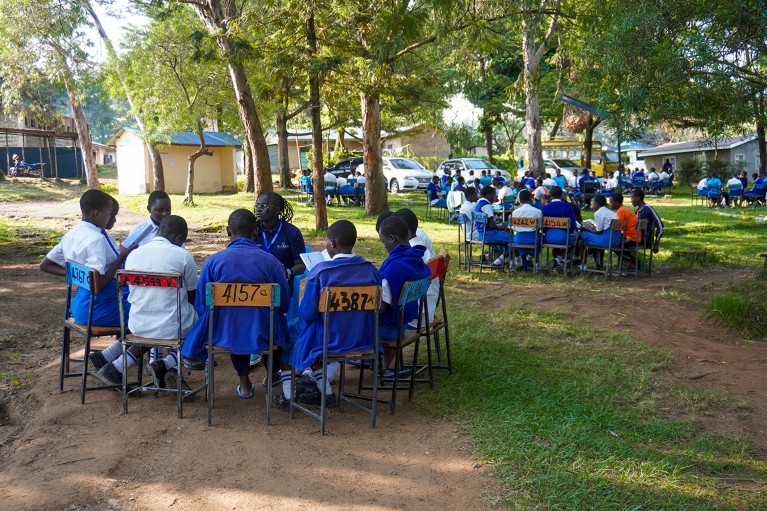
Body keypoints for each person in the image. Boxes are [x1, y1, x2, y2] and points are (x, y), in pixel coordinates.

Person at [181, 209, 290, 401]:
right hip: (264, 332)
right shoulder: (271, 262)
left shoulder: (212, 262)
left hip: (223, 332)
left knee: (233, 324)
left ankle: (244, 383)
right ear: (255, 232)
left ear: (227, 231)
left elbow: (200, 305)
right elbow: (285, 305)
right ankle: (272, 373)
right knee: (272, 323)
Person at [40, 189, 135, 379]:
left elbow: (46, 264)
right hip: (99, 308)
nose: (110, 219)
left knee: (140, 305)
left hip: (79, 306)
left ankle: (108, 355)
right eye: (109, 214)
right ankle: (116, 365)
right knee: (149, 315)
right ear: (97, 213)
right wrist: (122, 257)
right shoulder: (96, 240)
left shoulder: (72, 234)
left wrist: (74, 275)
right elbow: (97, 284)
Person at [95, 216, 199, 389]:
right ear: (179, 239)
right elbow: (192, 295)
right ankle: (167, 365)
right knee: (201, 326)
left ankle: (117, 367)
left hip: (138, 324)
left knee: (157, 326)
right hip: (173, 327)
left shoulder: (134, 254)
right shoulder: (183, 256)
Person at [287, 220, 382, 408]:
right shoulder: (371, 271)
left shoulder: (322, 273)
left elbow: (306, 313)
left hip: (328, 341)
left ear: (333, 243)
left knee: (289, 331)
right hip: (362, 338)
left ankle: (291, 392)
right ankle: (320, 384)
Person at [377, 216, 431, 377]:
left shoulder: (394, 267)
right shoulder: (416, 258)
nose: (384, 246)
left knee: (346, 322)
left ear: (392, 238)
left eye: (383, 241)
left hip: (388, 329)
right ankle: (389, 367)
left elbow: (382, 306)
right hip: (404, 323)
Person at [393, 208, 438, 326]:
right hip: (427, 309)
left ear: (406, 232)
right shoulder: (420, 247)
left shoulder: (409, 255)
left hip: (413, 317)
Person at [254, 192, 306, 290]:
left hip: (281, 283)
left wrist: (287, 272)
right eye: (256, 205)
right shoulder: (252, 230)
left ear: (276, 210)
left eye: (263, 206)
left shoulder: (291, 232)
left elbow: (301, 265)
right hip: (256, 281)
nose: (258, 209)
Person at [578, 194, 619, 270]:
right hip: (616, 239)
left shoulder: (598, 213)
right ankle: (598, 265)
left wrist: (585, 228)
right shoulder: (611, 212)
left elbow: (598, 232)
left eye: (592, 204)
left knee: (581, 235)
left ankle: (580, 262)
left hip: (607, 240)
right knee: (584, 239)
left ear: (596, 204)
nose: (592, 206)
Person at [541, 186, 578, 268]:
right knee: (575, 240)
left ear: (550, 195)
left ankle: (557, 262)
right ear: (562, 195)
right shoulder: (567, 207)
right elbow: (572, 225)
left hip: (547, 238)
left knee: (556, 245)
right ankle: (558, 259)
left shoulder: (545, 208)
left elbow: (542, 226)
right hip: (564, 238)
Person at [474, 185, 512, 266]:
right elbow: (492, 225)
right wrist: (502, 228)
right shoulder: (487, 206)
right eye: (494, 195)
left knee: (505, 237)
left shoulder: (478, 204)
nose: (495, 198)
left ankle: (504, 260)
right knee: (514, 240)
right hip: (489, 234)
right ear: (488, 195)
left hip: (481, 233)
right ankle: (500, 260)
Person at [510, 190, 542, 270]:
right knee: (541, 239)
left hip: (519, 239)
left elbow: (514, 228)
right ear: (531, 198)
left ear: (520, 201)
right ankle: (536, 264)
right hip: (533, 239)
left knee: (519, 240)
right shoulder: (538, 211)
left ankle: (524, 265)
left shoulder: (515, 212)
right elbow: (540, 227)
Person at [631, 189, 664, 255]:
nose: (631, 200)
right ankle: (631, 261)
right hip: (637, 237)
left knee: (619, 243)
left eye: (632, 198)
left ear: (638, 198)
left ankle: (632, 262)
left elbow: (660, 225)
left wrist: (657, 242)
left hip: (645, 239)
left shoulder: (647, 209)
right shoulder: (638, 210)